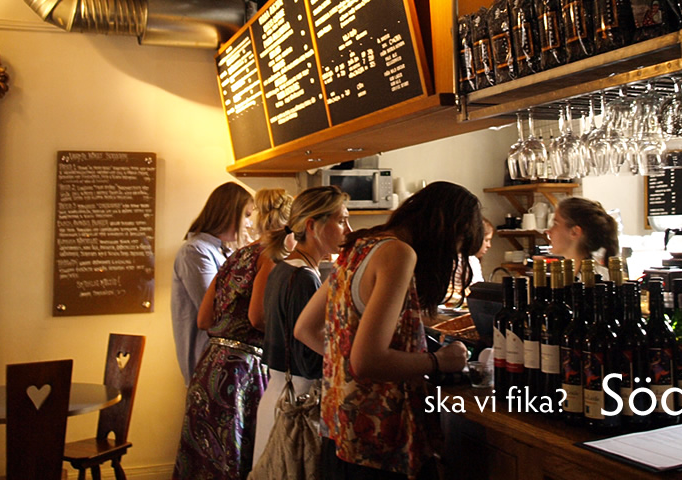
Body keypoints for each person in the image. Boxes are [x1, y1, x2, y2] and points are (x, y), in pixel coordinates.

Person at [295, 181, 479, 479]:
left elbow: (305, 328)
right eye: (455, 249)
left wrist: (347, 368)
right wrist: (439, 361)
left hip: (341, 433)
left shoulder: (359, 246)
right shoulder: (398, 253)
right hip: (381, 442)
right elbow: (367, 360)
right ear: (446, 231)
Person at [173, 188, 292, 480]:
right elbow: (258, 318)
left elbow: (204, 319)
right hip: (241, 371)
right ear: (290, 227)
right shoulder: (270, 256)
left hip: (210, 366)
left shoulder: (236, 254)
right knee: (240, 457)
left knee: (205, 459)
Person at [253, 185, 351, 464]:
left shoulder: (285, 267)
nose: (349, 230)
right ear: (312, 226)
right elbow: (307, 357)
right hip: (298, 402)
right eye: (341, 220)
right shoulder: (303, 278)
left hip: (279, 396)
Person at [171, 182, 254, 386]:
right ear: (229, 214)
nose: (249, 224)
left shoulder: (221, 250)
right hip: (206, 361)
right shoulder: (196, 251)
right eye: (246, 216)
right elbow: (217, 309)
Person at [544, 196, 619, 279]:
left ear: (574, 232)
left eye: (555, 224)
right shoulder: (566, 275)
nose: (548, 231)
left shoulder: (598, 279)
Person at [443, 217, 494, 308]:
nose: (489, 245)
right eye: (486, 240)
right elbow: (478, 293)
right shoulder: (470, 261)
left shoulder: (453, 258)